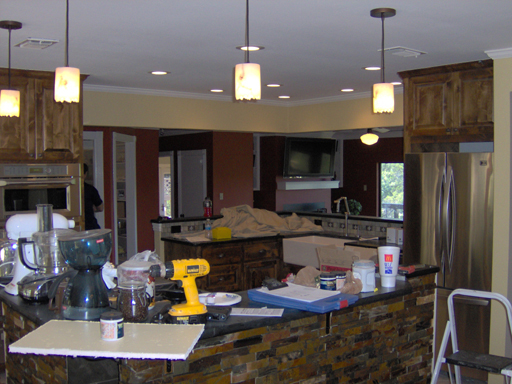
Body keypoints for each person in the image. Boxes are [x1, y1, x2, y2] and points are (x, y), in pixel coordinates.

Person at [83, 163, 104, 230]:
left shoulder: (66, 189)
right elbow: (100, 208)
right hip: (90, 226)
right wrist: (91, 208)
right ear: (85, 174)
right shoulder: (90, 189)